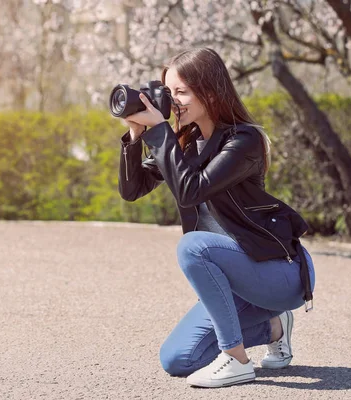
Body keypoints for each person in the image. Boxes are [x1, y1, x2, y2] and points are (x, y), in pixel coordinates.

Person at [116, 47, 316, 388]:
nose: (173, 101)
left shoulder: (243, 140)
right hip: (236, 281)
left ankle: (237, 360)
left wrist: (161, 134)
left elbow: (192, 190)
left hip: (277, 272)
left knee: (192, 246)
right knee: (178, 359)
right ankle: (274, 326)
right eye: (168, 93)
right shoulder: (184, 142)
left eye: (181, 92)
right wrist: (136, 136)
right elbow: (132, 189)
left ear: (210, 91)